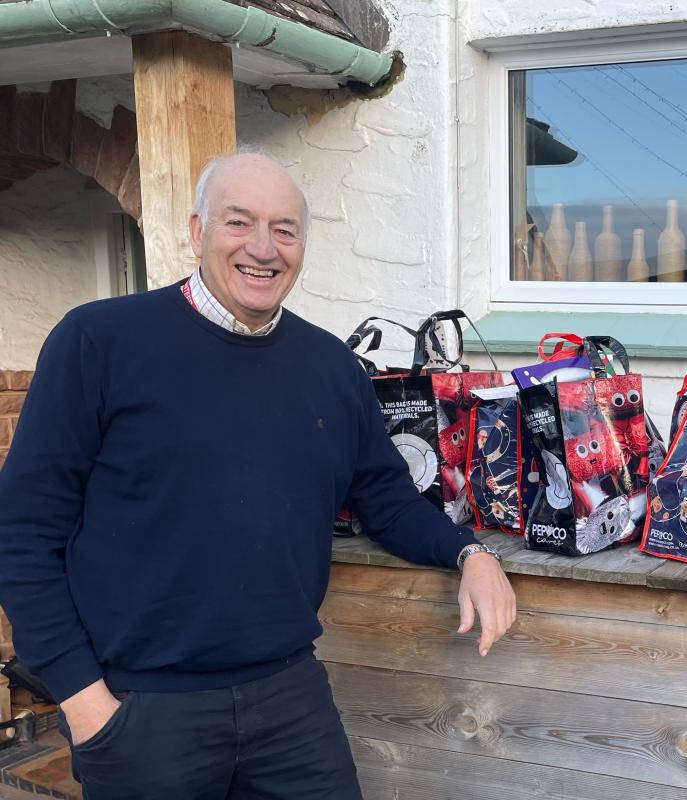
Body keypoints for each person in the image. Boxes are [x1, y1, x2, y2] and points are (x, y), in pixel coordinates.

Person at [0, 152, 516, 799]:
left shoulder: (331, 368)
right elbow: (21, 533)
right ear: (196, 231)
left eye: (285, 229)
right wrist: (84, 702)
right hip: (142, 706)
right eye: (239, 223)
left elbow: (385, 498)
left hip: (289, 697)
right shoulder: (99, 343)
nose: (263, 249)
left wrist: (470, 552)